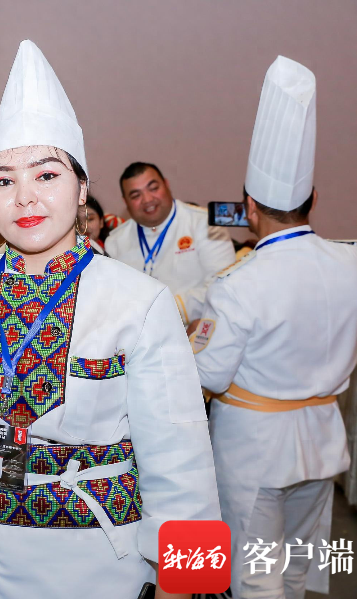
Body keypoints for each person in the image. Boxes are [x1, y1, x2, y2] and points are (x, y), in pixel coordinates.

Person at [0, 40, 220, 599]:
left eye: (45, 175)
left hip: (100, 561)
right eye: (3, 181)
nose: (24, 198)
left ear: (81, 187)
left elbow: (184, 464)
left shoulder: (139, 301)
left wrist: (187, 585)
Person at [191, 56, 355, 599]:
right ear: (314, 202)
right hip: (323, 441)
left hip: (256, 450)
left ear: (250, 207)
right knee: (300, 565)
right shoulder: (349, 264)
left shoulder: (240, 283)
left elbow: (208, 374)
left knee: (254, 578)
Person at [105, 162, 235, 325]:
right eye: (136, 195)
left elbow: (222, 288)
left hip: (197, 332)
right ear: (126, 201)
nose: (147, 200)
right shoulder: (115, 242)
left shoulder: (204, 224)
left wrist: (164, 311)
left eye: (153, 188)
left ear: (166, 185)